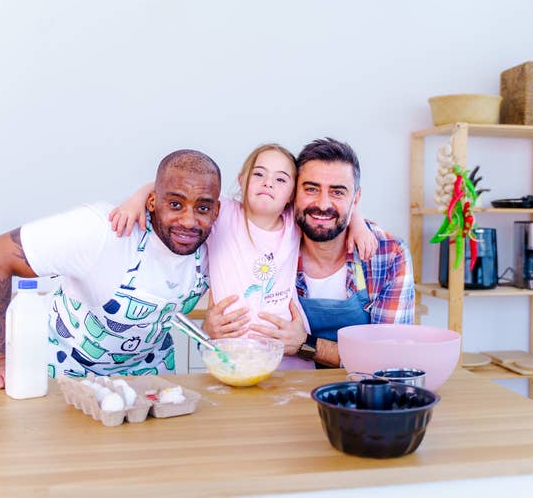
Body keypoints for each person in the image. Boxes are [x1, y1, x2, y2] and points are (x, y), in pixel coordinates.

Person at [109, 143, 378, 368]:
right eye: (259, 174)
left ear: (292, 194)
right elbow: (175, 187)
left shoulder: (294, 222)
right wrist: (136, 200)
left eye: (281, 179)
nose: (268, 184)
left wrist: (358, 222)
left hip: (287, 352)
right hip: (230, 350)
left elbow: (331, 205)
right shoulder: (222, 214)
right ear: (242, 181)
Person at [0, 149, 221, 388]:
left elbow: (256, 207)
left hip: (149, 378)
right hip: (66, 375)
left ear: (216, 210)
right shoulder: (102, 232)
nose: (189, 221)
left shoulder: (219, 240)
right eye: (175, 205)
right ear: (153, 201)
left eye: (203, 208)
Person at [216, 138, 415, 368]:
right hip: (284, 388)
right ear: (293, 194)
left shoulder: (389, 255)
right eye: (311, 189)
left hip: (359, 393)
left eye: (338, 192)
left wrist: (305, 344)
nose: (322, 204)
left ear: (356, 199)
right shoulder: (279, 239)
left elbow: (389, 359)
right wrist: (212, 327)